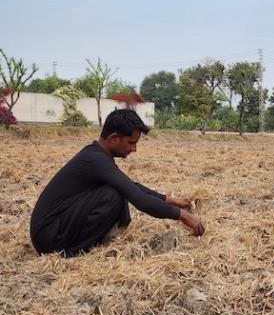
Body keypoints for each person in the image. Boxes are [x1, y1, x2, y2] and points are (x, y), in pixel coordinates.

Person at [30, 109, 204, 256]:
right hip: (49, 237)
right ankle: (73, 252)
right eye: (131, 143)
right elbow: (140, 200)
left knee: (118, 189)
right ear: (114, 139)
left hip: (55, 229)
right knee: (113, 194)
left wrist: (167, 199)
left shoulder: (98, 156)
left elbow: (129, 185)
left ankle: (102, 239)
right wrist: (183, 215)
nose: (134, 149)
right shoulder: (94, 159)